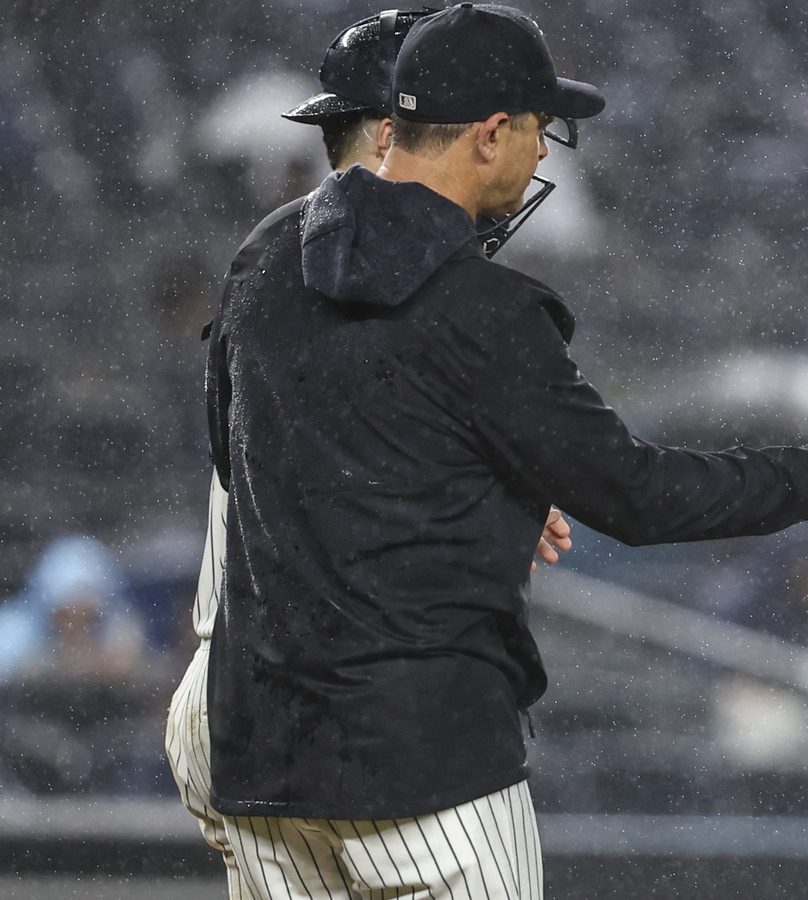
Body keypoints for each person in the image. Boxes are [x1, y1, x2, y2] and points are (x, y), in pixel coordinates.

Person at [201, 6, 808, 900]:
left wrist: (470, 484)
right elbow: (641, 497)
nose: (543, 157)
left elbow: (242, 449)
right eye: (539, 130)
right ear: (491, 133)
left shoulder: (265, 255)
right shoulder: (485, 309)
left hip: (263, 758)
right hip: (425, 769)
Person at [163, 10, 443, 896]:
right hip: (309, 703)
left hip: (239, 690)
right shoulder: (347, 275)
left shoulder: (273, 262)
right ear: (395, 133)